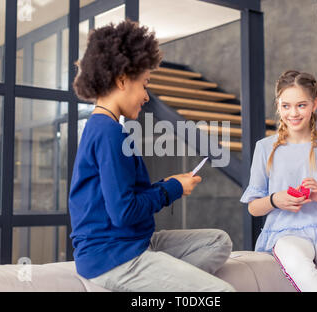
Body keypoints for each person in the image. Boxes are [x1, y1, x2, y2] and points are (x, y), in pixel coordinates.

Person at [68, 20, 235, 292]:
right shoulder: (109, 133)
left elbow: (122, 199)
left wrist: (168, 185)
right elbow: (124, 213)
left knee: (218, 242)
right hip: (114, 257)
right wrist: (172, 189)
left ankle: (160, 282)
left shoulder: (102, 127)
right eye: (145, 85)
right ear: (122, 80)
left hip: (134, 242)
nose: (146, 96)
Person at [240, 70, 317, 292]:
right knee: (304, 275)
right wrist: (274, 199)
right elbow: (254, 207)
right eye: (286, 105)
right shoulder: (264, 147)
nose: (293, 113)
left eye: (301, 105)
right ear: (278, 106)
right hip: (285, 233)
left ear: (314, 104)